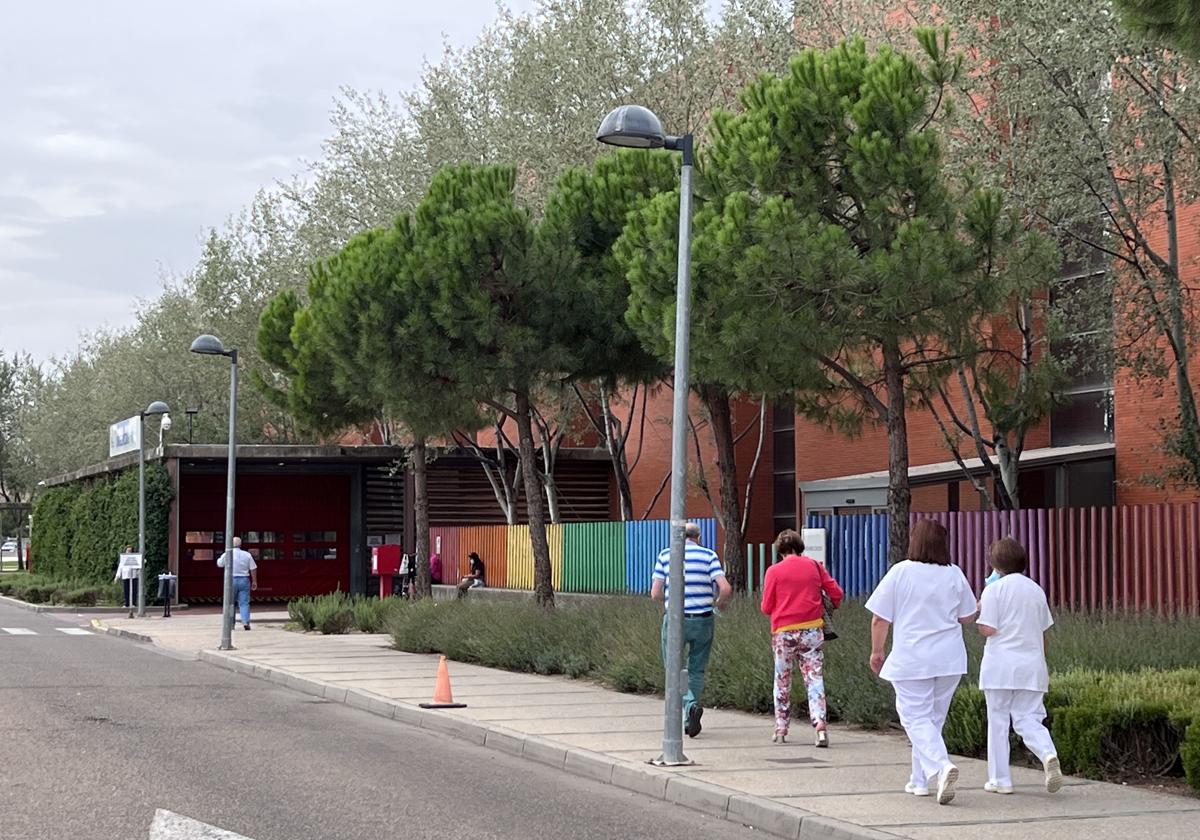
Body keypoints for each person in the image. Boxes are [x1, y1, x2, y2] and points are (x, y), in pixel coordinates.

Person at [865, 519, 976, 805]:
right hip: (949, 658)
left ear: (914, 541)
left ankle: (941, 766)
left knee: (914, 718)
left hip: (913, 657)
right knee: (932, 721)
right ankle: (920, 781)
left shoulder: (900, 572)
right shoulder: (954, 574)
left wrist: (877, 651)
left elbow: (880, 618)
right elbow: (967, 617)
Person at [977, 537, 1062, 795]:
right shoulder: (1036, 590)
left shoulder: (993, 590)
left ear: (994, 564)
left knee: (998, 722)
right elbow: (1043, 631)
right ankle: (1047, 753)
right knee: (1029, 718)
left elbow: (988, 628)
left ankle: (1000, 780)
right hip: (1032, 665)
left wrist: (980, 611)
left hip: (1000, 666)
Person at [760, 529, 844, 747]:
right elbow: (837, 593)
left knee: (782, 679)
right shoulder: (814, 566)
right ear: (800, 547)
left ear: (780, 551)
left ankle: (781, 729)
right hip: (812, 631)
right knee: (814, 679)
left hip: (784, 632)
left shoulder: (773, 571)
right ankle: (820, 728)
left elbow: (766, 607)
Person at [651, 522, 733, 738]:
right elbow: (725, 588)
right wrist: (719, 603)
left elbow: (655, 592)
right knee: (696, 669)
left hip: (676, 619)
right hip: (703, 619)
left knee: (674, 668)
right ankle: (690, 712)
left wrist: (669, 602)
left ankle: (689, 707)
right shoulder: (709, 556)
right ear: (698, 536)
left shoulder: (666, 555)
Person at [217, 537, 258, 630]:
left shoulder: (227, 554)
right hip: (244, 580)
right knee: (244, 603)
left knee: (231, 603)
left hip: (231, 580)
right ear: (240, 544)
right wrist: (254, 581)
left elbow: (219, 564)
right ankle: (245, 622)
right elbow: (253, 568)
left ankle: (231, 624)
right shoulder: (247, 555)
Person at [114, 544, 138, 618]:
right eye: (127, 550)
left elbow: (142, 562)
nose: (128, 552)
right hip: (125, 576)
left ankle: (133, 603)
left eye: (130, 551)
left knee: (133, 590)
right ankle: (127, 603)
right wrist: (117, 577)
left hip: (133, 576)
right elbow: (120, 568)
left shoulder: (134, 558)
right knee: (126, 590)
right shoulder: (123, 559)